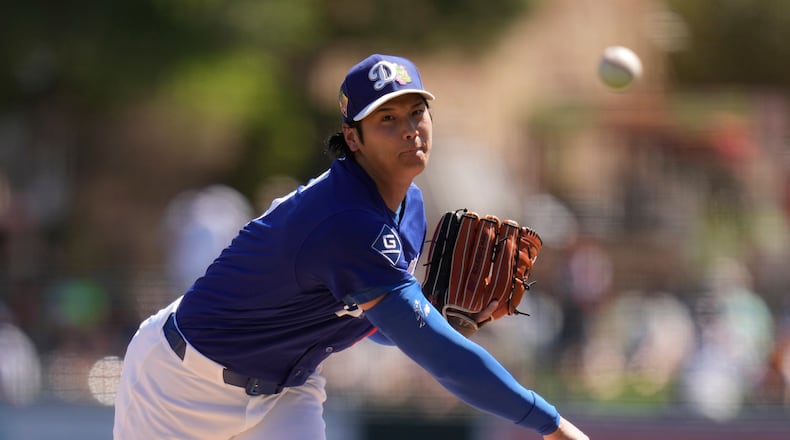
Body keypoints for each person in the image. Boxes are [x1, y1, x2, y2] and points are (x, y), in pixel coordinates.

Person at [112, 53, 589, 440]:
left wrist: (424, 319)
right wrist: (548, 423)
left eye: (416, 111)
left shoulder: (410, 206)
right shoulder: (347, 221)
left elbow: (373, 323)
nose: (409, 128)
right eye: (386, 118)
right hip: (177, 386)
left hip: (285, 392)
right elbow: (439, 357)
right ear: (352, 138)